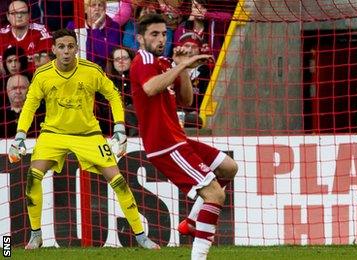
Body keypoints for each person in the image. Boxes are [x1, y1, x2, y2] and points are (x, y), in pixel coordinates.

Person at [7, 29, 159, 250]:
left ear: (76, 48)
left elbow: (113, 95)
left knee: (118, 181)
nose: (66, 52)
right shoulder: (42, 74)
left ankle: (141, 236)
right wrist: (20, 134)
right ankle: (36, 235)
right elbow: (30, 105)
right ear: (53, 49)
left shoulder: (91, 71)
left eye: (70, 47)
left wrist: (119, 127)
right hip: (53, 134)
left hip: (88, 135)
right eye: (61, 47)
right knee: (33, 177)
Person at [130, 13, 238, 259]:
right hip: (164, 144)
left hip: (178, 139)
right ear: (140, 38)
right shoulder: (143, 60)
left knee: (229, 168)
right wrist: (180, 66)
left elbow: (187, 100)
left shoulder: (165, 63)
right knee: (215, 194)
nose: (160, 39)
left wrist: (183, 71)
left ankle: (191, 222)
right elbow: (149, 88)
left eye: (163, 34)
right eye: (154, 34)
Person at [0, 0, 52, 75]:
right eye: (14, 13)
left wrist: (11, 63)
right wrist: (29, 60)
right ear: (8, 16)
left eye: (23, 12)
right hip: (7, 82)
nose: (19, 16)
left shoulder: (41, 30)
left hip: (35, 79)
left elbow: (46, 61)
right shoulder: (1, 34)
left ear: (29, 15)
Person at [67, 0, 122, 69]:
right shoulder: (73, 26)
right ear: (85, 10)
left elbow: (106, 55)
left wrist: (95, 29)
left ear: (104, 9)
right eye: (93, 5)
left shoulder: (114, 27)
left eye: (100, 5)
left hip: (103, 70)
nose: (97, 8)